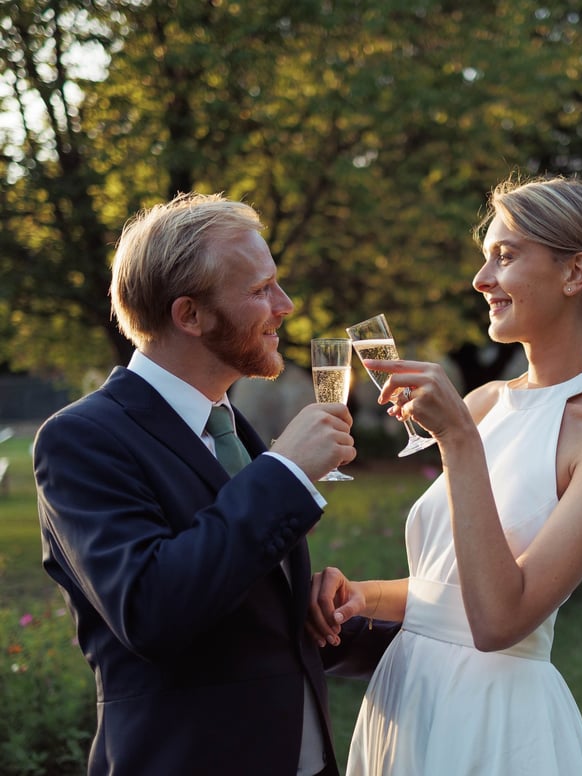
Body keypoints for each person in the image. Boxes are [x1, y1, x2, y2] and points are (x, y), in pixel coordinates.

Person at [308, 174, 582, 775]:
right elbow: (445, 591)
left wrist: (459, 443)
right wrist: (365, 596)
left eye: (505, 256)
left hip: (494, 720)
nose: (481, 280)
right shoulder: (485, 400)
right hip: (405, 694)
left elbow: (500, 620)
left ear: (574, 274)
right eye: (483, 258)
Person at [33, 192, 389, 776]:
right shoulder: (81, 439)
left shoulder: (230, 426)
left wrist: (319, 606)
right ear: (189, 315)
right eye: (259, 290)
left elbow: (237, 596)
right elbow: (152, 610)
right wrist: (285, 472)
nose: (286, 305)